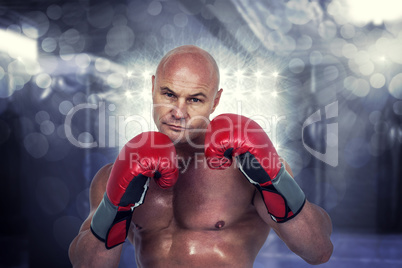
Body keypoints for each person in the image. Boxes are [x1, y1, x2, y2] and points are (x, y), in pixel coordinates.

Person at [69, 45, 333, 267]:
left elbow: (318, 250)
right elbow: (87, 263)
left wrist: (274, 178)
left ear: (215, 101)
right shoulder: (114, 174)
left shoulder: (246, 168)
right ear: (153, 87)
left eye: (195, 100)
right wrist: (115, 207)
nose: (178, 111)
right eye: (169, 94)